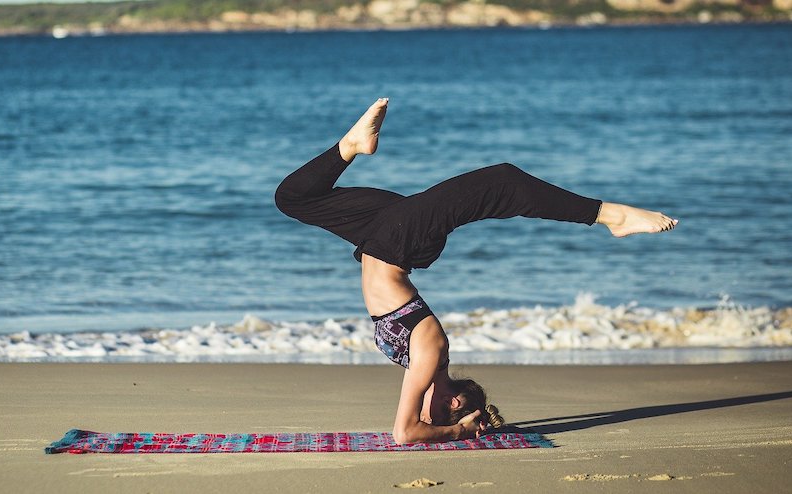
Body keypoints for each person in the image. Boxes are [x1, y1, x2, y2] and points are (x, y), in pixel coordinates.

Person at [274, 98, 677, 444]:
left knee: (293, 198)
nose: (421, 411)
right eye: (433, 414)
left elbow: (408, 429)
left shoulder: (421, 364)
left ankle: (352, 145)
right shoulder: (430, 352)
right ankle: (611, 216)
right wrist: (459, 431)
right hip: (399, 241)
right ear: (454, 401)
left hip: (382, 236)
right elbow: (406, 432)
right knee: (504, 180)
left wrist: (463, 427)